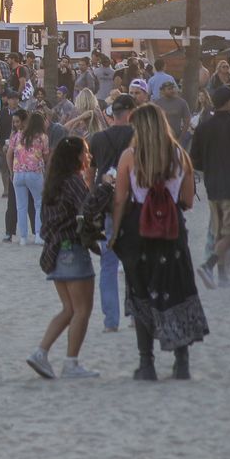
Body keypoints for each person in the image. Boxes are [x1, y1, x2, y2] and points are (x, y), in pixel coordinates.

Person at [111, 103, 208, 381]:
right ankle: (182, 361)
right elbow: (188, 201)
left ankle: (146, 363)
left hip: (139, 231)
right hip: (171, 231)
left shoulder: (130, 156)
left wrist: (115, 232)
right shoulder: (180, 155)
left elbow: (120, 199)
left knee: (141, 293)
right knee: (176, 290)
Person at [27, 134, 102, 380]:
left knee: (69, 308)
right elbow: (87, 211)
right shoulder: (73, 181)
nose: (89, 157)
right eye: (86, 152)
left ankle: (41, 352)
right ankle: (71, 363)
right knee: (83, 309)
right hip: (72, 249)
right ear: (76, 156)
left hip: (55, 250)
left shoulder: (54, 182)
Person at [88, 94, 138, 331]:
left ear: (112, 115)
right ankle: (135, 314)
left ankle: (111, 320)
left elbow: (90, 172)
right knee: (133, 261)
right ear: (130, 113)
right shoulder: (137, 138)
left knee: (108, 264)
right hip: (131, 202)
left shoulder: (98, 138)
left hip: (105, 202)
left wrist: (91, 196)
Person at [191, 83, 230, 287]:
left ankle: (224, 276)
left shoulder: (202, 128)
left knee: (219, 232)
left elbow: (195, 160)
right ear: (229, 102)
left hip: (212, 186)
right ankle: (208, 266)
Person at [9, 110, 50, 246]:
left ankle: (23, 238)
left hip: (18, 173)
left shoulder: (18, 135)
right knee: (39, 203)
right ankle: (38, 235)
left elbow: (9, 153)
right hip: (34, 172)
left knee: (21, 206)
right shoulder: (42, 137)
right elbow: (46, 156)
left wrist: (11, 171)